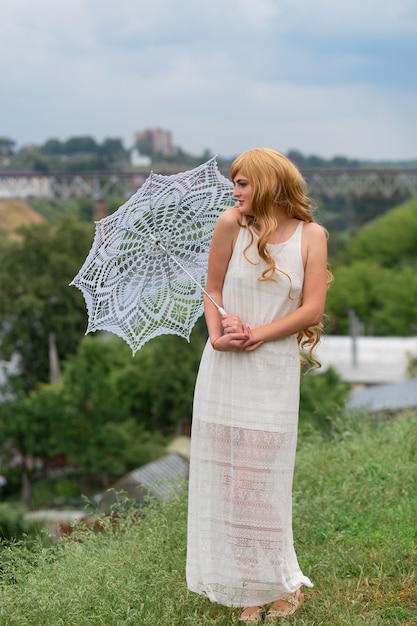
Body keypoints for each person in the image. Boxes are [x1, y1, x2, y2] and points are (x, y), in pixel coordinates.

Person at [186, 148, 330, 624]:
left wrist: (259, 335)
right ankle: (253, 587)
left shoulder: (312, 236)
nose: (236, 192)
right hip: (224, 367)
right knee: (231, 484)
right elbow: (213, 289)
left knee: (254, 482)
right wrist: (217, 335)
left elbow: (310, 310)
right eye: (235, 183)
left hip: (272, 369)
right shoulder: (230, 224)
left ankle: (283, 583)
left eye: (244, 183)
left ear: (268, 184)